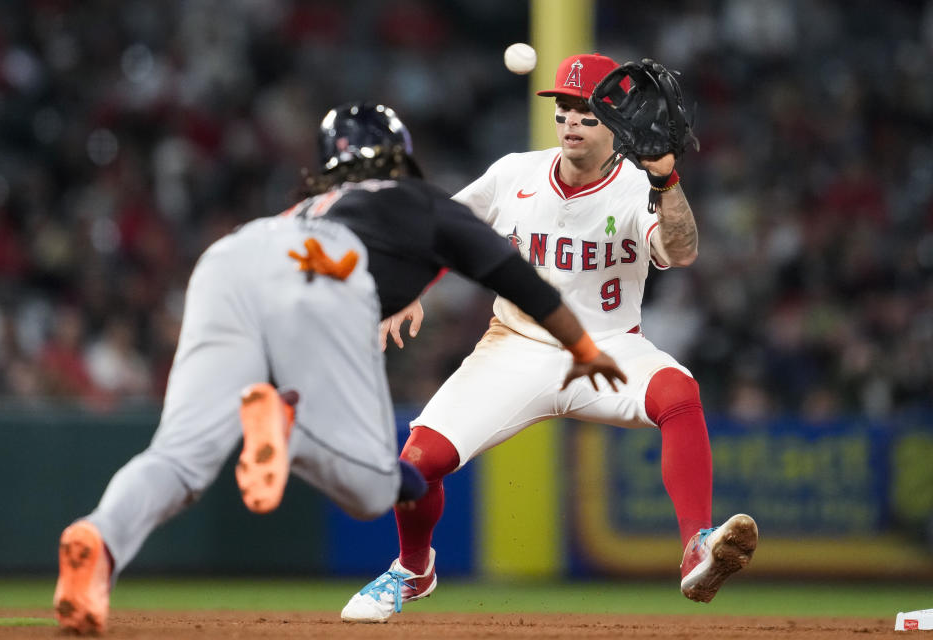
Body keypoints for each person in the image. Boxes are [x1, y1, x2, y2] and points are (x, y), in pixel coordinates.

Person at [52, 101, 629, 634]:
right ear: (401, 152)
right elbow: (519, 279)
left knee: (178, 457)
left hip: (233, 255)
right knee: (371, 488)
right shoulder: (419, 201)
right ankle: (287, 427)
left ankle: (99, 541)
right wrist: (583, 348)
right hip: (328, 272)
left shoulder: (305, 205)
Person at [340, 54, 758, 624]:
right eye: (564, 109)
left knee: (678, 392)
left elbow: (681, 251)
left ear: (617, 123)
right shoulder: (515, 173)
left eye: (586, 112)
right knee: (419, 460)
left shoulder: (640, 185)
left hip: (609, 344)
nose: (571, 122)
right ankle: (413, 570)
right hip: (515, 342)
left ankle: (696, 545)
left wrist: (667, 176)